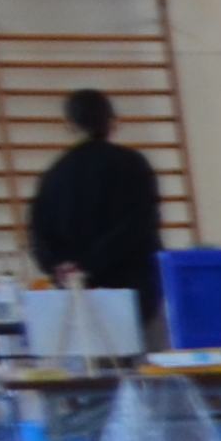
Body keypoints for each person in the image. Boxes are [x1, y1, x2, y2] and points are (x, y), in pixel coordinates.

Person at [29, 87, 163, 323]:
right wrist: (90, 263)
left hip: (77, 293)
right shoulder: (131, 163)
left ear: (69, 126)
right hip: (132, 289)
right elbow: (139, 224)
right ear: (112, 122)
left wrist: (61, 267)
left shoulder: (55, 175)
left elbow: (39, 233)